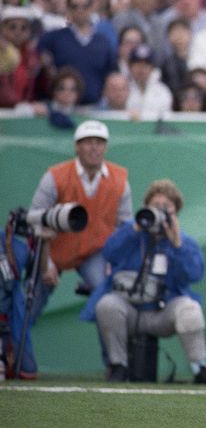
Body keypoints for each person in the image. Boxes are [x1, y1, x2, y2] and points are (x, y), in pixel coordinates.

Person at [81, 179, 206, 384]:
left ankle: (200, 368)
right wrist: (136, 227)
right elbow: (110, 253)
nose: (159, 211)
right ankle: (118, 366)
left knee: (190, 308)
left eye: (166, 207)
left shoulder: (184, 242)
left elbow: (194, 274)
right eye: (155, 206)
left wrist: (177, 244)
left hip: (162, 312)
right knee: (106, 305)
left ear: (176, 212)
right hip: (130, 309)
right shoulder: (131, 232)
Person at [30, 120, 133, 308]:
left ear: (106, 147)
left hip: (95, 252)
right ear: (77, 147)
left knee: (108, 297)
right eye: (88, 142)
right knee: (31, 303)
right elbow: (34, 217)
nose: (94, 148)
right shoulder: (55, 176)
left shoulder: (119, 180)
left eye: (99, 142)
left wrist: (114, 261)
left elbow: (124, 227)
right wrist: (47, 263)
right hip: (53, 249)